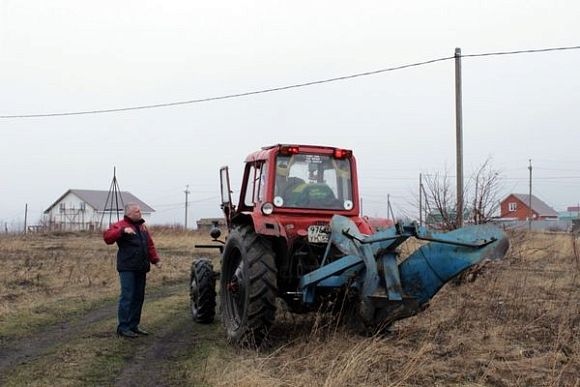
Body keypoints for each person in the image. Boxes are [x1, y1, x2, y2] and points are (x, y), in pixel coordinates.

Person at [103, 203, 161, 338]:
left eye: (140, 211)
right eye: (136, 212)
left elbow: (149, 245)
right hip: (127, 267)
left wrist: (156, 260)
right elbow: (107, 238)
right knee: (127, 296)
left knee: (138, 297)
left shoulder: (143, 227)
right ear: (129, 214)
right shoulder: (121, 225)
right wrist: (122, 232)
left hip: (141, 267)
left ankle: (134, 325)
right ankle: (123, 327)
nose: (139, 213)